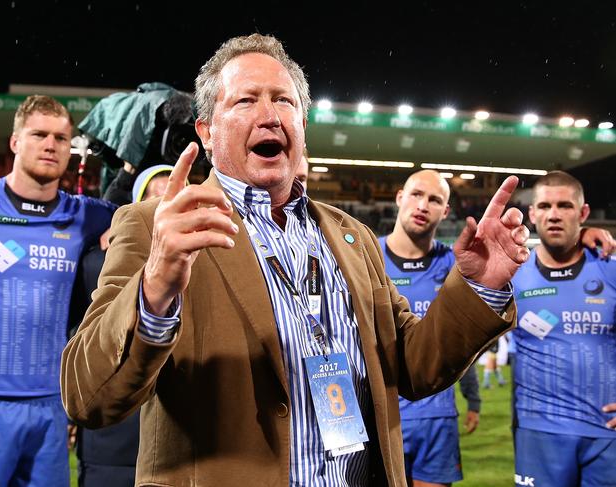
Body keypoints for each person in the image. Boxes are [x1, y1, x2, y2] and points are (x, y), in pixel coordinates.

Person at [62, 33, 531, 486]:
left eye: (283, 101)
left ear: (303, 124)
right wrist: (154, 291)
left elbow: (413, 365)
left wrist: (479, 287)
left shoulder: (352, 236)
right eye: (245, 101)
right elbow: (89, 397)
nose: (269, 116)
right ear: (206, 131)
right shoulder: (154, 226)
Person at [0, 95, 115, 486]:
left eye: (61, 138)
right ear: (15, 142)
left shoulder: (87, 215)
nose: (51, 145)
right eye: (39, 134)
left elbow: (144, 215)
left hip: (50, 406)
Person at [512, 171, 616, 487]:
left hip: (606, 433)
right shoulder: (512, 275)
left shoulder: (610, 268)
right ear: (532, 214)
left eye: (565, 206)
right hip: (537, 432)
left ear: (583, 214)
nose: (554, 215)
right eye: (544, 206)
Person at [72, 164, 174, 487]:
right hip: (112, 439)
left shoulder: (206, 262)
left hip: (173, 435)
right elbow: (78, 333)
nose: (164, 205)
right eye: (154, 197)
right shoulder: (94, 262)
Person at [379, 170, 481, 487]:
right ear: (400, 198)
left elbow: (466, 342)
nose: (423, 205)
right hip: (382, 418)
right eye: (416, 195)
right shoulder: (365, 257)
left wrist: (473, 399)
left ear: (446, 211)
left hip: (436, 419)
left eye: (435, 199)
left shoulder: (456, 265)